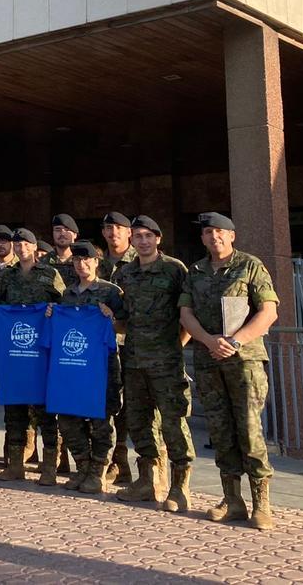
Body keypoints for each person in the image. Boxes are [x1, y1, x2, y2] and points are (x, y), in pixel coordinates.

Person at [179, 212, 279, 531]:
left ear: (232, 236)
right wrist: (209, 340)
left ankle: (261, 503)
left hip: (244, 361)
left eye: (220, 232)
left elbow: (268, 311)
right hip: (209, 359)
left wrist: (235, 341)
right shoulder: (195, 271)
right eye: (208, 233)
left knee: (249, 430)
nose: (214, 237)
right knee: (220, 430)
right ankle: (232, 500)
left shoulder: (250, 265)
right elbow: (186, 313)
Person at [112, 215, 194, 511]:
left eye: (149, 236)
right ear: (132, 239)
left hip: (166, 362)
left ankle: (179, 486)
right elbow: (124, 321)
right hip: (134, 361)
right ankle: (147, 480)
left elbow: (187, 314)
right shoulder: (125, 274)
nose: (143, 241)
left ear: (158, 238)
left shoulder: (174, 270)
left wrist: (175, 347)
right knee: (139, 423)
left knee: (173, 423)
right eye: (139, 236)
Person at [0, 227, 65, 485]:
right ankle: (15, 463)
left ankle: (49, 465)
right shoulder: (8, 277)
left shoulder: (49, 275)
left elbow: (64, 305)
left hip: (40, 353)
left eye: (24, 244)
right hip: (14, 353)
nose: (20, 248)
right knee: (14, 408)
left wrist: (53, 311)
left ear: (34, 246)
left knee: (44, 410)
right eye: (16, 245)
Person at [50, 240, 123, 494]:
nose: (81, 264)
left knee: (101, 420)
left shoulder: (111, 292)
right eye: (77, 260)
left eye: (86, 260)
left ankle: (97, 471)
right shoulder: (68, 295)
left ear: (96, 262)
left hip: (101, 368)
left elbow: (123, 327)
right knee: (68, 419)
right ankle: (81, 466)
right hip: (71, 368)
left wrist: (111, 320)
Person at [99, 211, 140, 486]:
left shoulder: (143, 262)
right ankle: (115, 461)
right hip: (103, 348)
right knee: (109, 404)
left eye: (119, 228)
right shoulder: (97, 265)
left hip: (135, 346)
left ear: (129, 233)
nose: (113, 232)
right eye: (108, 228)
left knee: (133, 408)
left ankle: (133, 464)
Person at [46, 214, 80, 288]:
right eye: (57, 230)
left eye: (67, 230)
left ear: (75, 234)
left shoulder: (85, 261)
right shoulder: (42, 262)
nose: (62, 233)